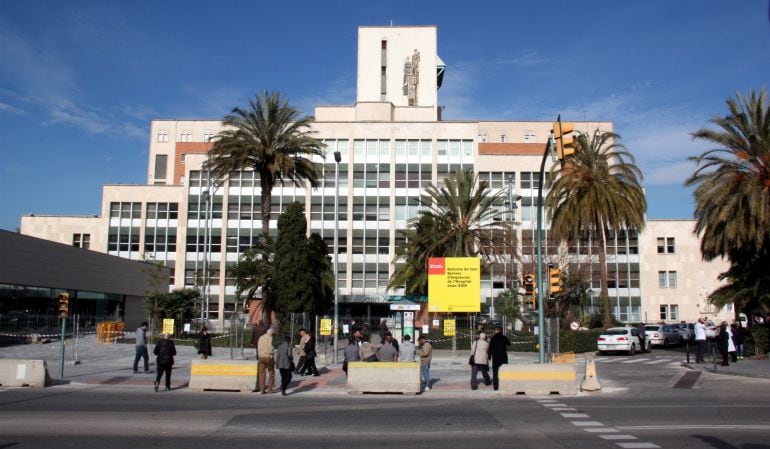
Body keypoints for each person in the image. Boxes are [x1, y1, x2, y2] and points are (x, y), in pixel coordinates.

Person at [487, 326, 511, 391]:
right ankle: (504, 385)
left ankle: (495, 386)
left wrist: (489, 357)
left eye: (495, 330)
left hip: (495, 358)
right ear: (501, 331)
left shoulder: (493, 338)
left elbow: (490, 349)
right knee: (504, 372)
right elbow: (509, 344)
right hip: (503, 357)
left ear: (496, 331)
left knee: (495, 373)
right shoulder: (504, 337)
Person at [257, 328, 276, 394]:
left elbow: (258, 347)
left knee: (261, 374)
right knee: (271, 372)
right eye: (273, 334)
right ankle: (270, 389)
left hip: (260, 357)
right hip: (268, 357)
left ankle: (262, 390)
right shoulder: (270, 338)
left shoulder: (260, 337)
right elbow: (270, 347)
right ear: (271, 333)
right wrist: (273, 350)